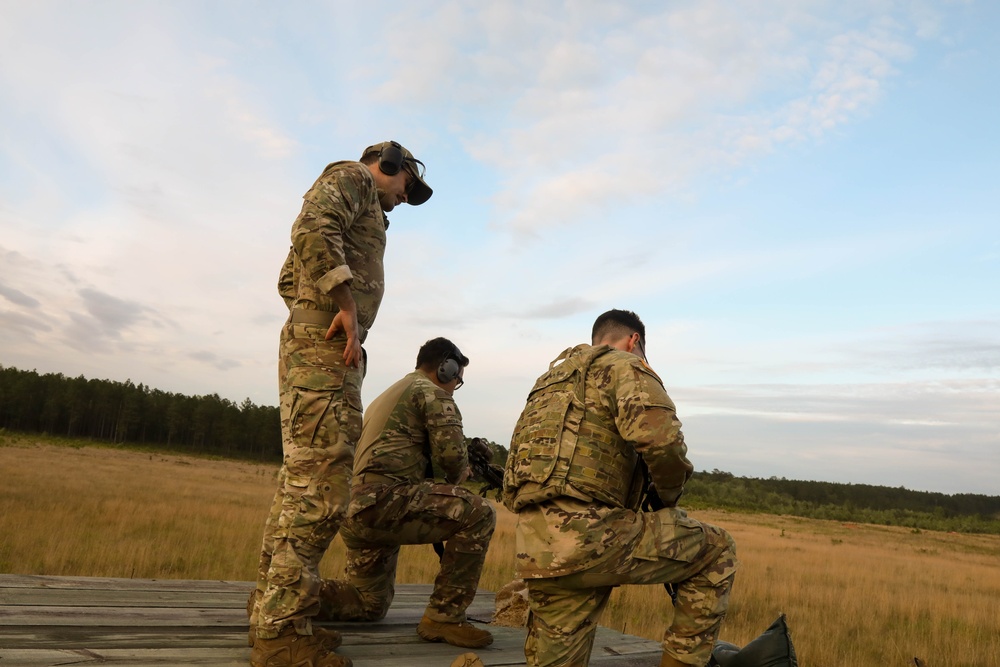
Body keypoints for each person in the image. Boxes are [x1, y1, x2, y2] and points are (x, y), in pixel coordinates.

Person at [249, 141, 433, 667]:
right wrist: (344, 307)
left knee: (298, 487)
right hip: (325, 353)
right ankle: (281, 631)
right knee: (320, 493)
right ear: (390, 165)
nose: (404, 197)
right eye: (405, 185)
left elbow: (289, 276)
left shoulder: (361, 199)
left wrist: (313, 310)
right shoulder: (354, 179)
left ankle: (272, 614)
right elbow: (310, 229)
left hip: (320, 348)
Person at [502, 309, 738, 667]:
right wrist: (668, 499)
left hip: (536, 548)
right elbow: (663, 444)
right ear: (634, 341)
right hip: (592, 536)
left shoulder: (549, 381)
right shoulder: (625, 366)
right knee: (718, 549)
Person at [317, 337, 496, 649]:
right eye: (457, 379)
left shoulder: (395, 393)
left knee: (367, 603)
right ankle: (444, 617)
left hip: (358, 508)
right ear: (445, 368)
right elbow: (452, 459)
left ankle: (289, 596)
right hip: (382, 502)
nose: (456, 386)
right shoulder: (433, 393)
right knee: (479, 513)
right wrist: (463, 471)